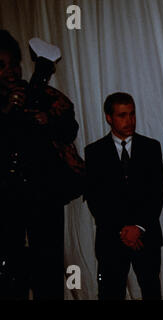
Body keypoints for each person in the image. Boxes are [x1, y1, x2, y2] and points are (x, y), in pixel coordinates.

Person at [0, 30, 79, 300]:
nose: (11, 71)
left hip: (43, 195)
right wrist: (9, 110)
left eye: (15, 63)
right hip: (6, 198)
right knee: (10, 267)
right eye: (2, 66)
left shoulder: (43, 92)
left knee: (48, 265)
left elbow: (69, 131)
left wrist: (49, 120)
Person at [85, 92, 163, 300]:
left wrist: (138, 228)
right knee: (110, 293)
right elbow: (96, 199)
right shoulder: (94, 152)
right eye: (122, 115)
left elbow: (156, 193)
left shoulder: (151, 147)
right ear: (109, 118)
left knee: (152, 291)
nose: (129, 121)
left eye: (132, 114)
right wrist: (122, 230)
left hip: (146, 236)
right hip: (111, 238)